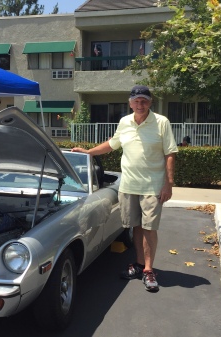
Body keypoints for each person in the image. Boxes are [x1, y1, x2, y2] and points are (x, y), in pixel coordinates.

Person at [72, 85, 178, 292]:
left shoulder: (161, 122)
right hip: (129, 185)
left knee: (149, 228)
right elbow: (113, 143)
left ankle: (148, 270)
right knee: (135, 226)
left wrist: (169, 183)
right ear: (130, 103)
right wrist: (89, 152)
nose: (140, 104)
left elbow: (170, 153)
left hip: (152, 187)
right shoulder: (124, 122)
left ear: (150, 102)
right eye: (136, 101)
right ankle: (139, 264)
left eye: (144, 101)